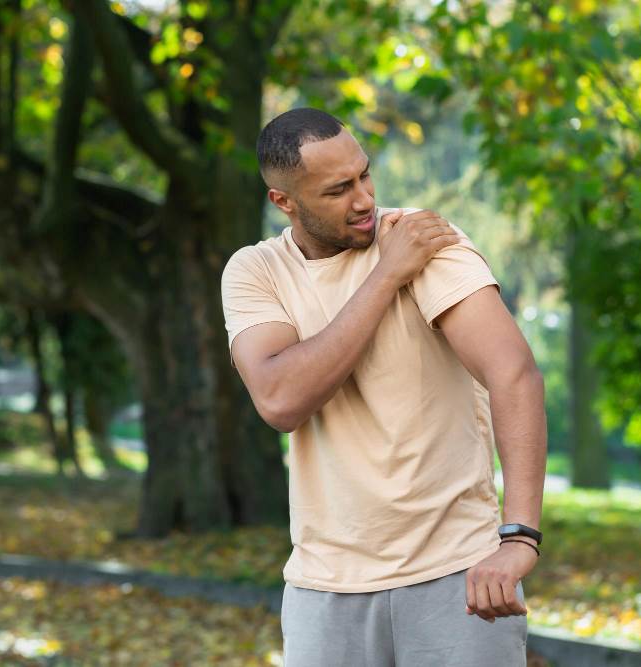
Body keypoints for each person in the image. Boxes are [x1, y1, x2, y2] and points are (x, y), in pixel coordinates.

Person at [220, 108, 547, 666]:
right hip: (323, 588)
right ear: (285, 202)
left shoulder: (423, 240)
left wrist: (518, 539)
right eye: (338, 189)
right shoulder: (257, 272)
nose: (364, 199)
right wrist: (386, 276)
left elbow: (512, 372)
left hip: (458, 577)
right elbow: (280, 400)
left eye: (365, 174)